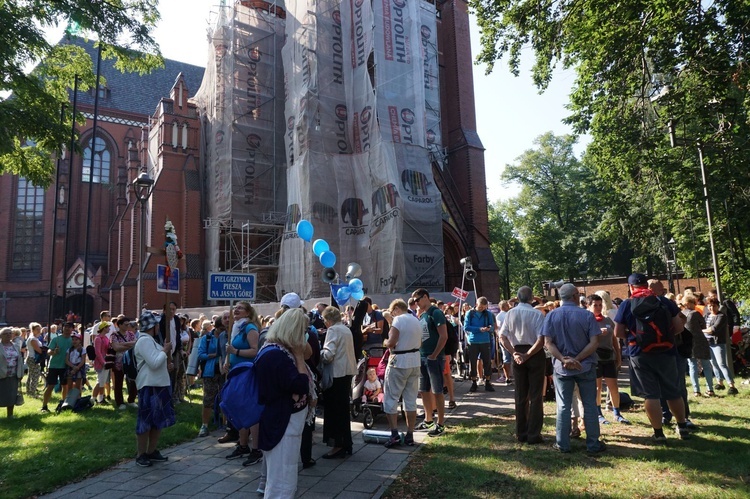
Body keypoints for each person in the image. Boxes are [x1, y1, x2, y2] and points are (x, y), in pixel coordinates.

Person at [614, 273, 689, 443]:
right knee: (673, 391)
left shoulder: (627, 304)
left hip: (639, 353)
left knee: (651, 395)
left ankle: (658, 433)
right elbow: (678, 327)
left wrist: (634, 337)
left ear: (631, 287)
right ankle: (682, 426)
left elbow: (618, 332)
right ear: (646, 286)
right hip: (666, 352)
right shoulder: (664, 301)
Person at [255, 309, 314, 497]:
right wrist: (298, 357)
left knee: (285, 476)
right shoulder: (276, 355)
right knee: (281, 481)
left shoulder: (277, 351)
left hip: (285, 424)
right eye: (303, 330)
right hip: (281, 424)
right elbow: (300, 385)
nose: (305, 335)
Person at [542, 283, 606, 454]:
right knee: (590, 404)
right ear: (575, 296)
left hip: (562, 368)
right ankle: (593, 444)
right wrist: (577, 359)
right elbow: (595, 342)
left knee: (563, 405)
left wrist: (564, 359)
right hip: (585, 366)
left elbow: (548, 343)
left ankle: (562, 443)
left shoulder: (551, 316)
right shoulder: (586, 315)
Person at [499, 286, 546, 444]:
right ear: (532, 298)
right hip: (534, 353)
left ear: (517, 298)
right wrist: (528, 354)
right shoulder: (537, 314)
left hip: (517, 352)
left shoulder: (510, 313)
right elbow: (541, 340)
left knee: (520, 395)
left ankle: (521, 432)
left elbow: (502, 337)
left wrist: (514, 353)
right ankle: (533, 434)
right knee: (536, 395)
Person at [134, 311, 175, 467]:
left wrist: (167, 362)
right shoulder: (144, 341)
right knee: (146, 421)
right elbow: (154, 363)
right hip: (149, 385)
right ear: (152, 326)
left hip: (159, 384)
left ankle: (151, 451)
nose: (159, 326)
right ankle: (141, 454)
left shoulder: (151, 341)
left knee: (157, 420)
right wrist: (164, 351)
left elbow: (158, 362)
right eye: (157, 323)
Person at [224, 302, 263, 466]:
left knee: (250, 410)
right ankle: (242, 445)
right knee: (239, 408)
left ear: (248, 312)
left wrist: (235, 352)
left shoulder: (249, 328)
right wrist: (227, 361)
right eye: (235, 308)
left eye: (240, 308)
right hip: (236, 372)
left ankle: (256, 449)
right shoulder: (237, 328)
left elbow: (255, 350)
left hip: (247, 373)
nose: (236, 310)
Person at [382, 298, 422, 448]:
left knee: (391, 398)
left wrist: (386, 341)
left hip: (399, 361)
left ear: (397, 309)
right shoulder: (416, 319)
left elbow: (391, 342)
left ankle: (394, 434)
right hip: (415, 360)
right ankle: (410, 434)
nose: (392, 315)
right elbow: (421, 342)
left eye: (392, 312)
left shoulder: (398, 320)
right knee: (410, 400)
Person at [320, 306, 357, 458]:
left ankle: (337, 444)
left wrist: (319, 351)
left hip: (337, 374)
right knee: (342, 410)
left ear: (328, 320)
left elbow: (328, 355)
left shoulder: (333, 330)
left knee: (334, 412)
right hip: (347, 373)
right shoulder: (346, 329)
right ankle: (346, 442)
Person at [587, 294, 630, 425]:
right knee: (597, 388)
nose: (598, 308)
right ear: (589, 306)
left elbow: (614, 340)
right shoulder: (587, 321)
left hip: (609, 356)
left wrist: (618, 356)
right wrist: (598, 334)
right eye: (595, 305)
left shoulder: (607, 320)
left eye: (600, 305)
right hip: (595, 358)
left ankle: (617, 413)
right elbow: (585, 340)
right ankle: (598, 414)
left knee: (614, 387)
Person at [412, 289, 448, 437]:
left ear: (425, 297)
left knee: (437, 390)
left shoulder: (435, 313)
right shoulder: (422, 315)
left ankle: (440, 423)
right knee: (424, 390)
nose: (416, 303)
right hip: (422, 356)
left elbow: (443, 336)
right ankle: (428, 420)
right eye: (414, 301)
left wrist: (434, 355)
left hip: (434, 358)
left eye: (418, 300)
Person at [704, 298, 739, 395]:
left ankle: (732, 385)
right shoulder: (706, 315)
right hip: (708, 342)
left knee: (722, 364)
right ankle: (720, 383)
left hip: (718, 342)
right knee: (713, 364)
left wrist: (702, 330)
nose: (712, 308)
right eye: (710, 306)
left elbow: (713, 329)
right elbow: (702, 325)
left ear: (718, 306)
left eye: (714, 306)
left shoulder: (722, 316)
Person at [197, 317, 224, 438]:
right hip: (210, 371)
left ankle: (225, 422)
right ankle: (205, 425)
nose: (223, 331)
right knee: (208, 398)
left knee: (225, 397)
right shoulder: (207, 338)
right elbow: (200, 354)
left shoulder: (228, 336)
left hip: (224, 371)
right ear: (216, 328)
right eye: (221, 329)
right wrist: (211, 355)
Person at [683, 294, 714, 397]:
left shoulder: (681, 314)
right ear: (690, 303)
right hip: (700, 340)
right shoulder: (695, 313)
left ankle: (696, 390)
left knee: (692, 366)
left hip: (688, 343)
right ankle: (710, 389)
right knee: (706, 365)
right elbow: (703, 325)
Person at [463, 296, 496, 392]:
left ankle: (488, 382)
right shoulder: (470, 313)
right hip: (473, 341)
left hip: (485, 340)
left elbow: (493, 327)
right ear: (476, 304)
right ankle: (474, 382)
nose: (482, 309)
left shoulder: (488, 314)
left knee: (487, 362)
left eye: (484, 307)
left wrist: (489, 329)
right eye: (480, 307)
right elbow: (466, 327)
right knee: (473, 362)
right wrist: (479, 329)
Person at [41, 322, 74, 413]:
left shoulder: (73, 340)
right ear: (62, 328)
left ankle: (63, 405)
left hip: (66, 366)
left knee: (65, 386)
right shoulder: (56, 339)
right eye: (66, 327)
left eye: (69, 327)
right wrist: (53, 352)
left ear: (72, 329)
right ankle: (44, 406)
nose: (67, 329)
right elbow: (48, 351)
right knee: (51, 385)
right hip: (54, 366)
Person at [111, 317, 138, 410]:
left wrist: (122, 345)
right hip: (118, 362)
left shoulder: (131, 334)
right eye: (126, 324)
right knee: (118, 382)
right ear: (120, 325)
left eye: (128, 324)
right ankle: (120, 402)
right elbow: (116, 348)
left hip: (131, 361)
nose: (128, 326)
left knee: (134, 381)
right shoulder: (114, 335)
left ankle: (131, 400)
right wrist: (129, 345)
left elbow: (136, 343)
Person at [1, 327, 25, 418]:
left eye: (9, 333)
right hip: (1, 374)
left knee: (11, 395)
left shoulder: (15, 345)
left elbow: (20, 360)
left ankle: (10, 415)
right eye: (5, 333)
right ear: (1, 336)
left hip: (13, 375)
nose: (8, 335)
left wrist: (21, 373)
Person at [92, 321, 111, 404]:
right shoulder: (98, 338)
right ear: (104, 328)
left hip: (106, 361)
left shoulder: (106, 338)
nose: (109, 328)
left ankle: (101, 398)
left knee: (103, 381)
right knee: (100, 381)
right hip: (101, 362)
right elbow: (98, 352)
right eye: (107, 327)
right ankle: (93, 398)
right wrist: (103, 362)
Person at [25, 322, 44, 397]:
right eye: (37, 329)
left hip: (31, 358)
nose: (39, 331)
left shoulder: (34, 338)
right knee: (35, 376)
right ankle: (32, 393)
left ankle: (29, 391)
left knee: (31, 376)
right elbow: (39, 350)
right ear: (32, 330)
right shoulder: (32, 339)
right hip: (33, 358)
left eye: (40, 329)